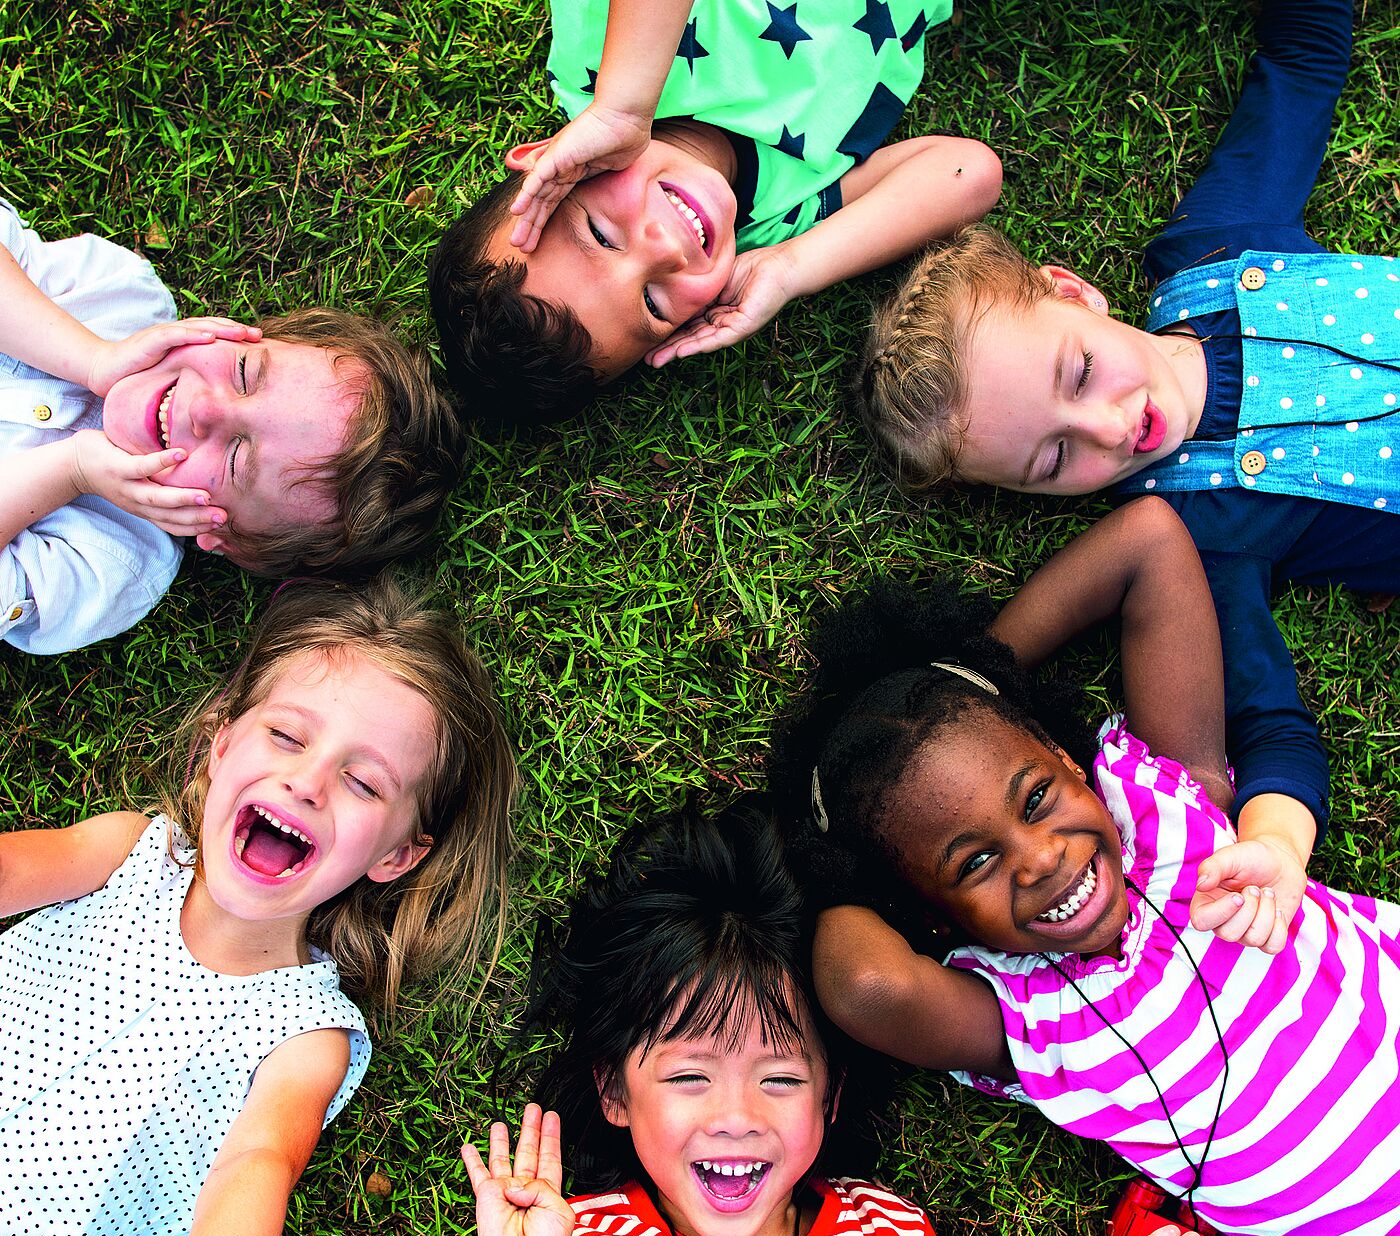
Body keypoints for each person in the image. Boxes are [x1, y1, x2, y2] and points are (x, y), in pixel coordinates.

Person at [768, 498, 1400, 1236]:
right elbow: (863, 982)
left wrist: (968, 683)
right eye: (973, 864)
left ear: (1070, 762)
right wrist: (826, 861)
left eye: (1036, 797)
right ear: (935, 923)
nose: (1038, 859)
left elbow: (1149, 541)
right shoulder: (1029, 1022)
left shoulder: (1170, 812)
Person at [854, 0, 1388, 868]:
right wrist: (1277, 848)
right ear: (1026, 493)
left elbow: (1301, 68)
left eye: (1079, 373)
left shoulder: (1215, 248)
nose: (1110, 428)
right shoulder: (1202, 535)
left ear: (1071, 292)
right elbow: (1272, 726)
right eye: (1056, 458)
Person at [0, 575, 518, 1236]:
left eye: (364, 782)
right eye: (285, 735)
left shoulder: (306, 1034)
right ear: (221, 744)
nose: (307, 781)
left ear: (396, 854)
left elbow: (254, 1168)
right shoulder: (127, 852)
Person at [462, 798, 1207, 1236]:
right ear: (615, 1090)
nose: (737, 1113)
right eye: (691, 1075)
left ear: (832, 1093)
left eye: (780, 1077)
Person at [429, 0, 1002, 428]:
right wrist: (788, 269)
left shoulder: (599, 61)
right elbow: (967, 173)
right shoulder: (779, 221)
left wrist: (623, 105)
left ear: (546, 164)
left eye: (601, 235)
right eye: (653, 305)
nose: (663, 251)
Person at [1, 199, 462, 654]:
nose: (205, 409)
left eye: (238, 459)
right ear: (240, 332)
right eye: (244, 372)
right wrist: (90, 357)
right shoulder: (119, 294)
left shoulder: (111, 565)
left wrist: (70, 470)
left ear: (223, 538)